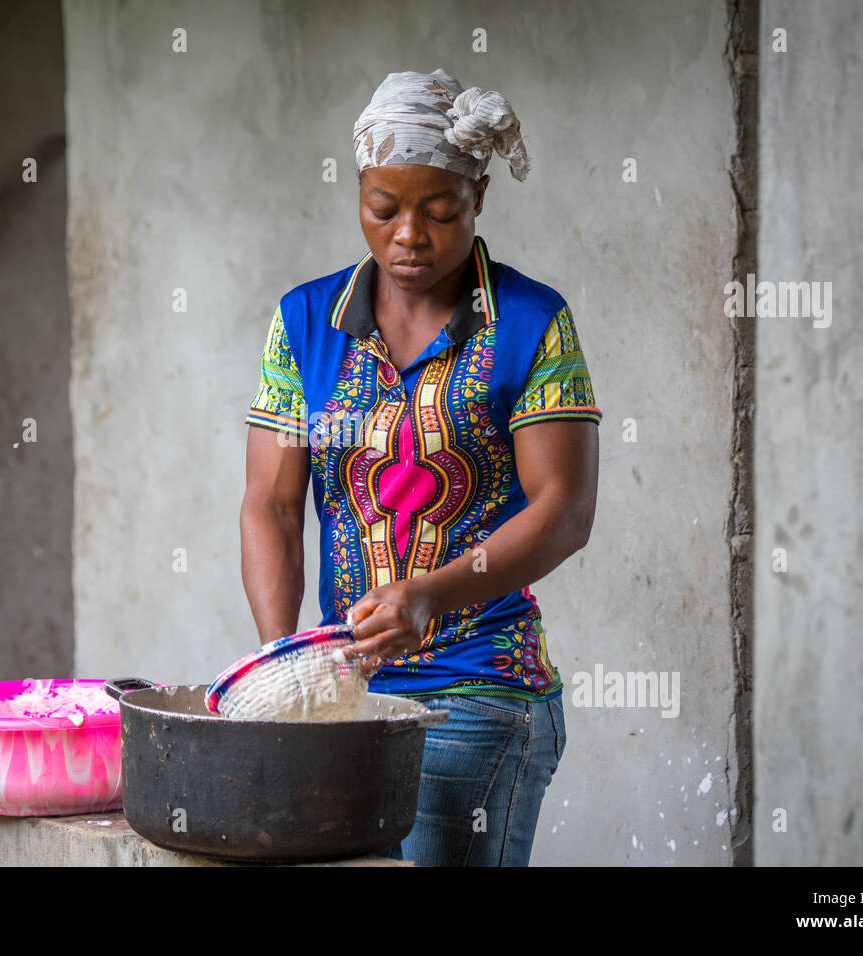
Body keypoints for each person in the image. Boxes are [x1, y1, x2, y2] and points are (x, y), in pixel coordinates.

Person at [239, 67, 601, 866]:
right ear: (359, 196)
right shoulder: (305, 322)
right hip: (351, 695)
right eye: (384, 208)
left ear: (478, 202)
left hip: (480, 690)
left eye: (441, 212)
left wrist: (431, 593)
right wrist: (286, 670)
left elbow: (565, 509)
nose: (410, 234)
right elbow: (270, 501)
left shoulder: (532, 323)